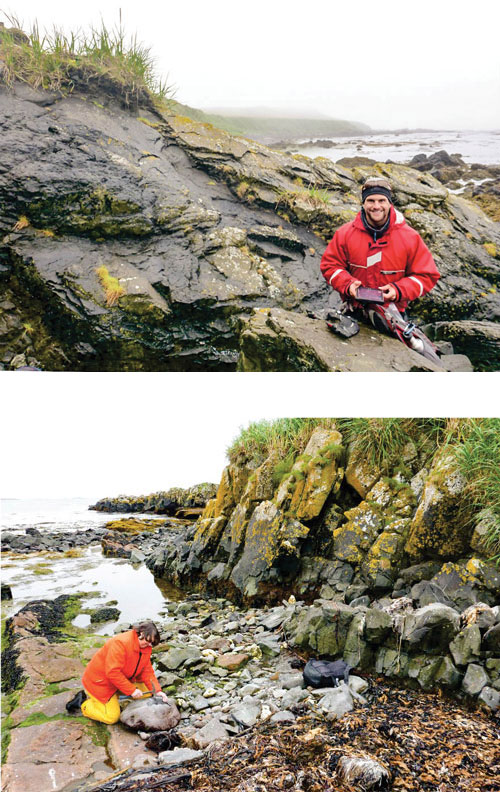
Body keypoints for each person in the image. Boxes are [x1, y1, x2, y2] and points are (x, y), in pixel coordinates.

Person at [320, 177, 440, 316]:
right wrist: (348, 284)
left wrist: (398, 290)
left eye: (381, 200)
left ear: (390, 204)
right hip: (353, 309)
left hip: (393, 313)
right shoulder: (344, 233)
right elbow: (330, 266)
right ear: (363, 204)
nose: (376, 206)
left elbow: (427, 276)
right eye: (371, 201)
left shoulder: (410, 237)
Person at [75, 620, 169, 725]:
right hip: (100, 683)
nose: (149, 645)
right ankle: (84, 704)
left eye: (151, 643)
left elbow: (146, 671)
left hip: (120, 681)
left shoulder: (145, 646)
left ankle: (115, 697)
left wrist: (158, 691)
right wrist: (131, 690)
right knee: (112, 717)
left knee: (148, 692)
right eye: (147, 641)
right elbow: (112, 673)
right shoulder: (120, 643)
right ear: (140, 634)